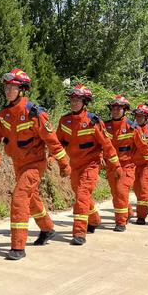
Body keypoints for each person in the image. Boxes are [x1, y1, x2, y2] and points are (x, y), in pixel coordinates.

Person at [0, 69, 71, 260]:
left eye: (13, 87)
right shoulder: (4, 115)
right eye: (7, 87)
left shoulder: (34, 114)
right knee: (31, 199)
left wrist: (63, 163)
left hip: (35, 164)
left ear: (22, 90)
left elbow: (53, 141)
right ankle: (47, 228)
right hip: (18, 163)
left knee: (19, 198)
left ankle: (18, 246)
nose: (8, 91)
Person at [56, 85, 121, 245]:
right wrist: (54, 160)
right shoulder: (65, 121)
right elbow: (58, 143)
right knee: (81, 196)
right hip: (74, 166)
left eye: (78, 100)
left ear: (85, 102)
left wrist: (116, 165)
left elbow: (107, 145)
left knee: (82, 196)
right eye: (72, 100)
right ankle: (94, 220)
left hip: (91, 165)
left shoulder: (93, 122)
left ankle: (79, 233)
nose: (74, 103)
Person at [104, 96, 148, 232]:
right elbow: (99, 144)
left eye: (119, 108)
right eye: (113, 108)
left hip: (127, 167)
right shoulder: (105, 126)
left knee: (121, 191)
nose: (115, 111)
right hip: (111, 167)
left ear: (124, 110)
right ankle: (127, 213)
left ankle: (120, 222)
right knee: (116, 194)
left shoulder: (132, 128)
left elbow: (144, 147)